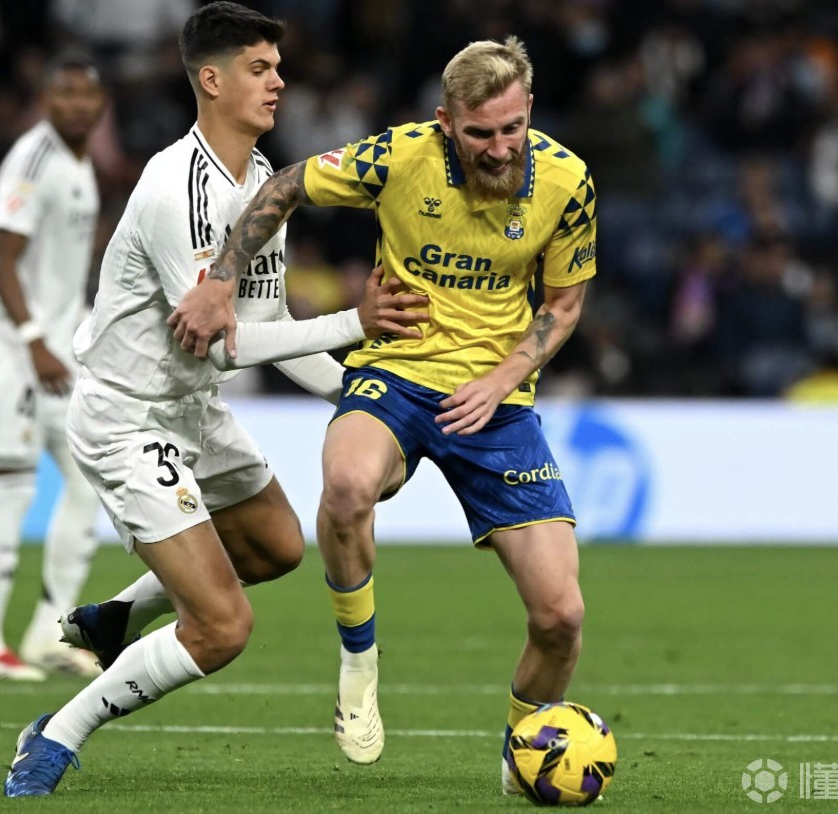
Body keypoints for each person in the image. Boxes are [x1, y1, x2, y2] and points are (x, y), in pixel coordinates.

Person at [3, 2, 426, 797]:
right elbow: (225, 343)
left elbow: (268, 323)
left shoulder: (263, 181)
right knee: (223, 627)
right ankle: (56, 734)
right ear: (211, 79)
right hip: (128, 417)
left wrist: (363, 398)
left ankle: (119, 615)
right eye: (259, 69)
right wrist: (355, 323)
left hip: (193, 409)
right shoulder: (177, 189)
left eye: (278, 68)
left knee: (277, 547)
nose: (278, 82)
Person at [169, 36, 598, 795]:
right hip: (395, 372)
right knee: (346, 486)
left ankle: (523, 752)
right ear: (445, 122)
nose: (500, 148)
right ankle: (359, 662)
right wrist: (220, 282)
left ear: (529, 109)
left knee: (561, 616)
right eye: (480, 133)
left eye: (512, 128)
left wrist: (502, 379)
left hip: (497, 403)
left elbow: (563, 305)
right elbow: (286, 186)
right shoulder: (399, 157)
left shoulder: (567, 181)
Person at [0, 53, 106, 681]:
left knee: (89, 479)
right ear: (45, 100)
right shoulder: (33, 159)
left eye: (86, 94)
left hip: (56, 349)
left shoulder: (82, 164)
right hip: (9, 345)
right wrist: (33, 340)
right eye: (65, 93)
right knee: (14, 482)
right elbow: (1, 259)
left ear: (101, 104)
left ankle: (50, 633)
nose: (77, 104)